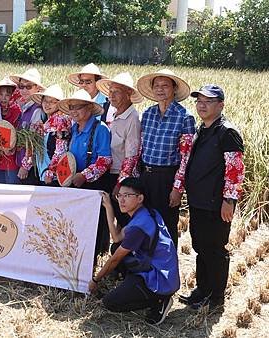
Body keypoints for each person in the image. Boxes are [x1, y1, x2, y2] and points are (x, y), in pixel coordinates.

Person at [180, 85, 245, 310]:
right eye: (199, 100)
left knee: (215, 249)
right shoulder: (204, 129)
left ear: (221, 105)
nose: (202, 105)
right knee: (200, 246)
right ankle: (202, 290)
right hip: (199, 201)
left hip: (216, 204)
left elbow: (235, 171)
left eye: (208, 101)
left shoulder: (227, 132)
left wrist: (229, 201)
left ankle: (216, 297)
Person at [91, 178, 180, 325]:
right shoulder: (146, 213)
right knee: (116, 247)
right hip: (160, 268)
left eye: (127, 196)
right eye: (119, 195)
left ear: (140, 198)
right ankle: (134, 287)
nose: (121, 200)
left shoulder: (138, 226)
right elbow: (116, 237)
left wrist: (95, 280)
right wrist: (108, 207)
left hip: (160, 279)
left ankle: (159, 300)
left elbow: (115, 260)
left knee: (110, 303)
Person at [136, 69, 196, 245]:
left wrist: (177, 188)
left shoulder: (185, 117)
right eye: (157, 86)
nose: (160, 89)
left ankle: (167, 269)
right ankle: (146, 269)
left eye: (165, 86)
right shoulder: (147, 114)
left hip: (167, 178)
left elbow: (186, 158)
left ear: (174, 89)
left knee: (166, 226)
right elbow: (141, 148)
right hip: (146, 175)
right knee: (145, 223)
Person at [59, 89, 112, 257]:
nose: (74, 111)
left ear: (89, 108)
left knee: (91, 226)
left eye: (78, 107)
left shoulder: (100, 129)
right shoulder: (74, 128)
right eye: (71, 107)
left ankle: (90, 262)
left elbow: (105, 160)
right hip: (74, 183)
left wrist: (85, 175)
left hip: (92, 184)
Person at [96, 72, 143, 227]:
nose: (111, 96)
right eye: (110, 92)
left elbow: (131, 156)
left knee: (124, 221)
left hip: (123, 178)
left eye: (116, 92)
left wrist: (120, 185)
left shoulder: (132, 119)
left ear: (128, 93)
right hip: (111, 173)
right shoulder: (116, 115)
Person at [10, 68, 46, 185]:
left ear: (37, 88)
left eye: (29, 86)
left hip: (31, 168)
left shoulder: (37, 110)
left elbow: (34, 141)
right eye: (21, 86)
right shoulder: (24, 108)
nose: (24, 90)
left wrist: (25, 166)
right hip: (21, 161)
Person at [30, 85, 70, 186]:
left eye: (53, 102)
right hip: (45, 172)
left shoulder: (60, 120)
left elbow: (61, 149)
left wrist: (51, 172)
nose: (48, 105)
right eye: (46, 101)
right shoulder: (46, 122)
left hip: (53, 176)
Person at [0, 77, 22, 184]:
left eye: (7, 95)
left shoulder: (17, 112)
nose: (3, 98)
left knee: (12, 186)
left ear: (12, 96)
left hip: (12, 156)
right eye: (1, 95)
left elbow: (19, 134)